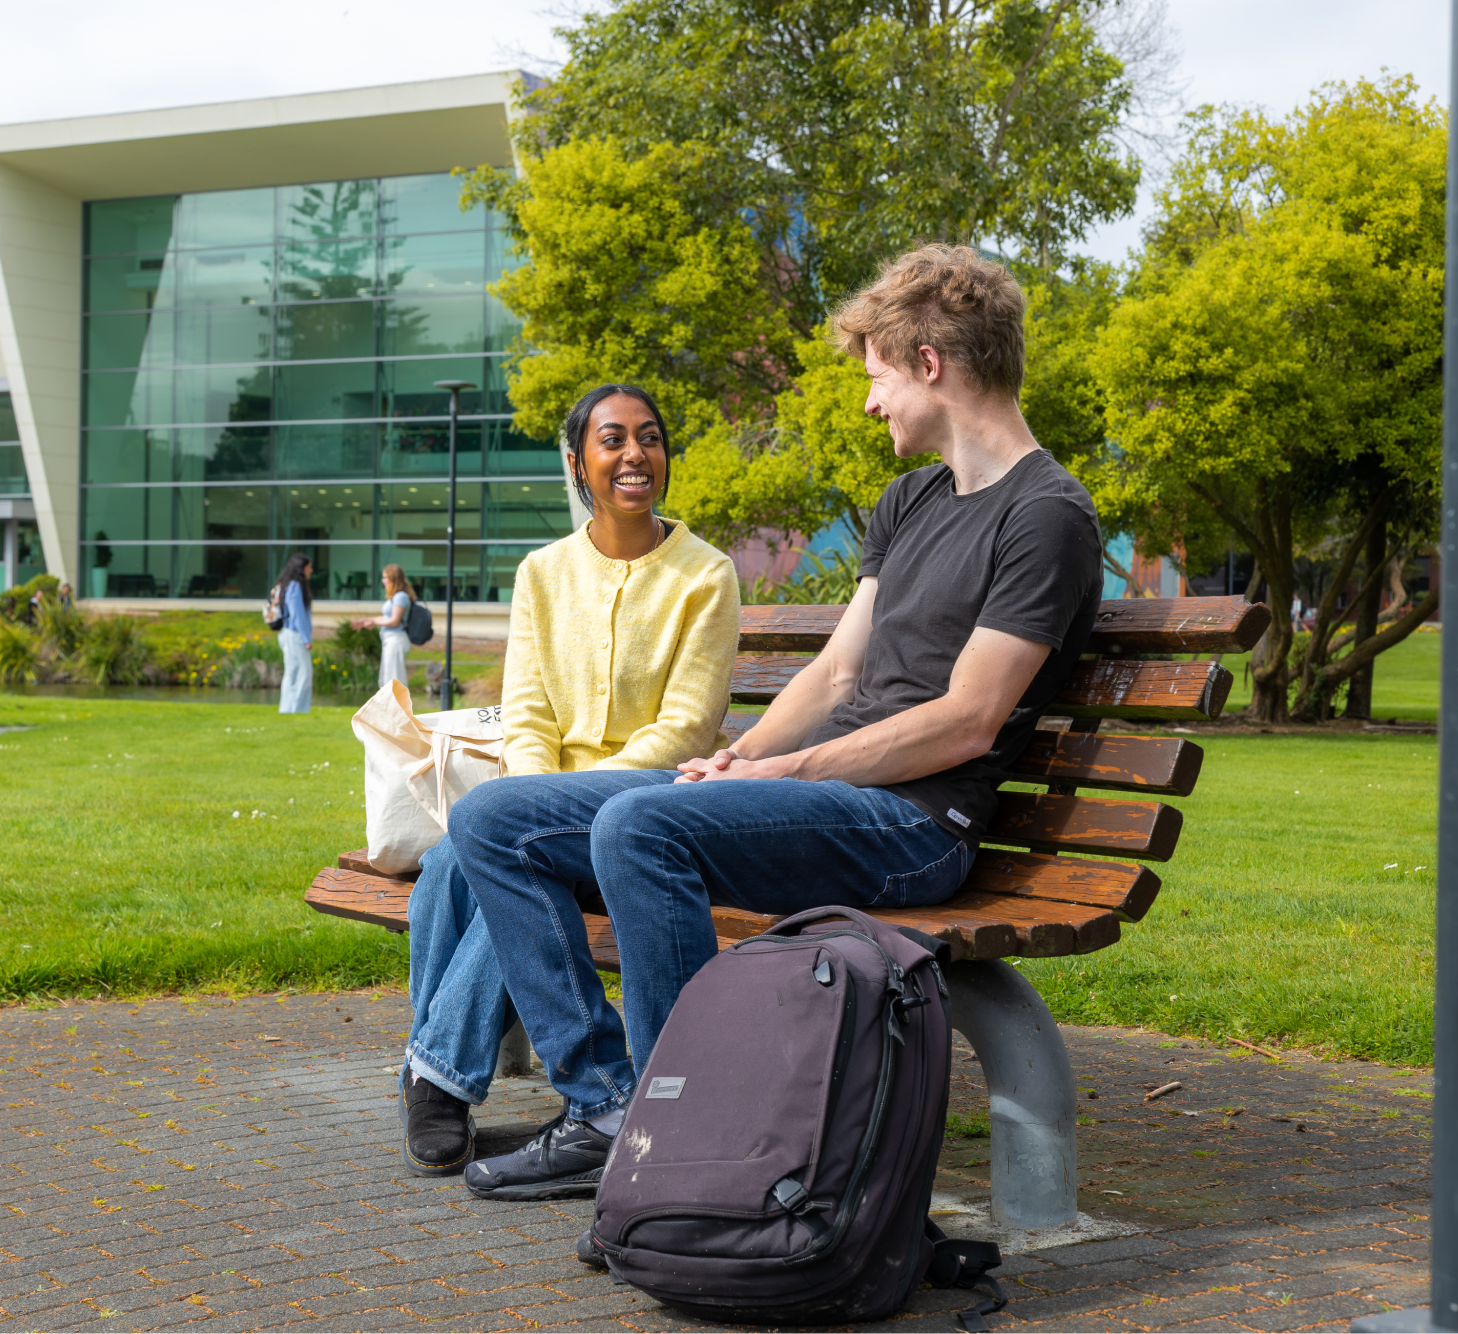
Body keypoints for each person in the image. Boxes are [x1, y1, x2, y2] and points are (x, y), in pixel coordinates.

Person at [442, 244, 1104, 1201]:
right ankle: (609, 1108)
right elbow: (838, 670)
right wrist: (738, 758)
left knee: (638, 826)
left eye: (878, 377)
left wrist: (780, 778)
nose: (872, 403)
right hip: (829, 793)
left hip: (915, 822)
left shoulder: (1046, 515)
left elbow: (967, 721)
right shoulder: (911, 498)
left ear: (929, 364)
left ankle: (686, 1137)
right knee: (495, 820)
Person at [397, 384, 740, 1178]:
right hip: (547, 795)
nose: (633, 455)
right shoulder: (543, 573)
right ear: (580, 462)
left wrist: (555, 812)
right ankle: (436, 1070)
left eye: (648, 438)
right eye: (612, 440)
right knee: (458, 859)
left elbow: (686, 727)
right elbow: (528, 715)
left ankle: (435, 1076)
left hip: (651, 801)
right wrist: (532, 798)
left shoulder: (705, 575)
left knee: (498, 850)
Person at [353, 565, 416, 690]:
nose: (383, 580)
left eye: (385, 577)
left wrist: (374, 623)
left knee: (395, 679)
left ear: (393, 579)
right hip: (389, 640)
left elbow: (394, 621)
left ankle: (399, 708)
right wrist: (367, 620)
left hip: (396, 640)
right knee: (386, 678)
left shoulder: (400, 596)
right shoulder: (395, 597)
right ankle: (389, 708)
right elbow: (386, 617)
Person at [274, 553, 314, 715]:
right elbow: (298, 614)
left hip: (288, 634)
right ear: (302, 568)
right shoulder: (296, 586)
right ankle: (297, 710)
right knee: (303, 674)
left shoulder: (287, 584)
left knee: (292, 673)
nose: (311, 570)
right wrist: (306, 638)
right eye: (309, 567)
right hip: (294, 635)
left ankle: (288, 709)